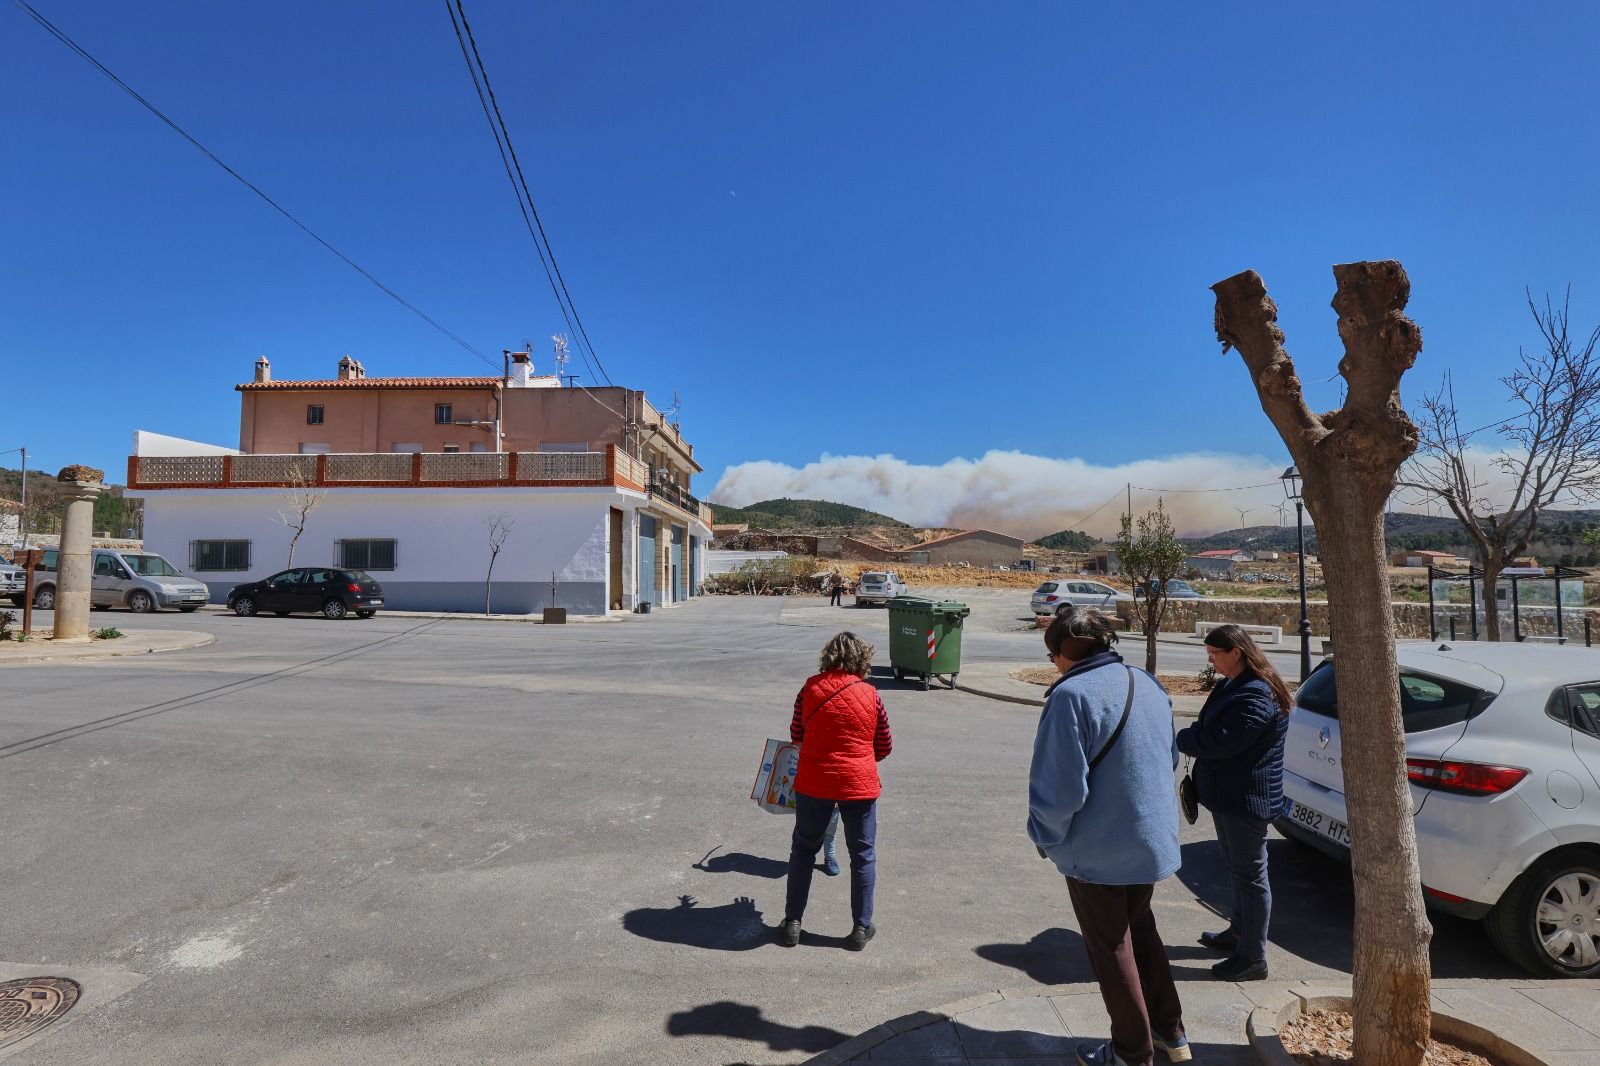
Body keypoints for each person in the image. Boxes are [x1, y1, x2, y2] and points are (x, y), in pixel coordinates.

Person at [1029, 606, 1189, 1066]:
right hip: (1151, 841)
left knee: (1111, 947)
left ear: (1063, 652)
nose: (1054, 665)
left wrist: (1043, 835)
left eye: (1052, 656)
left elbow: (1058, 792)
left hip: (1098, 851)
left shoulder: (1071, 696)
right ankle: (1170, 1032)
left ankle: (1132, 1053)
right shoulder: (1147, 684)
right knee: (1141, 930)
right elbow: (1167, 759)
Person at [1175, 624, 1292, 982]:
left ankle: (1253, 958)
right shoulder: (1233, 684)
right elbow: (1209, 729)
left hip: (1246, 800)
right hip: (1228, 796)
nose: (1211, 662)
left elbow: (1221, 742)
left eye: (1215, 655)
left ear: (1237, 653)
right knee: (1238, 870)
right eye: (1208, 655)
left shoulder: (1256, 695)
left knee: (1252, 877)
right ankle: (1239, 933)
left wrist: (1183, 738)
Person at [780, 631, 891, 950]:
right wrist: (862, 760)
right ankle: (860, 927)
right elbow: (883, 743)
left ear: (828, 656)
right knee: (863, 855)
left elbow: (796, 732)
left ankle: (793, 923)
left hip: (814, 782)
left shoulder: (810, 688)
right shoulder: (871, 694)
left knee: (803, 851)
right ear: (862, 659)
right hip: (859, 784)